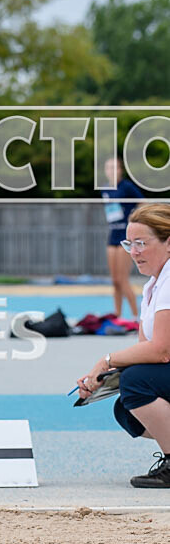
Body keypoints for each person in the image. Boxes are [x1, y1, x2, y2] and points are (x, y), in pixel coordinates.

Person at [77, 203, 170, 488]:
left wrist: (106, 361)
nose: (133, 252)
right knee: (125, 409)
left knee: (135, 383)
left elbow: (161, 351)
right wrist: (101, 379)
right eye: (129, 243)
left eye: (142, 243)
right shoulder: (153, 285)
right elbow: (146, 351)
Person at [101, 157, 143, 317]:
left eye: (114, 167)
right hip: (113, 235)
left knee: (123, 279)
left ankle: (135, 317)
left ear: (120, 170)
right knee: (115, 281)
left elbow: (143, 204)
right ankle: (117, 316)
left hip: (125, 236)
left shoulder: (127, 187)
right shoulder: (105, 189)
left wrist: (134, 220)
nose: (111, 171)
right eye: (108, 167)